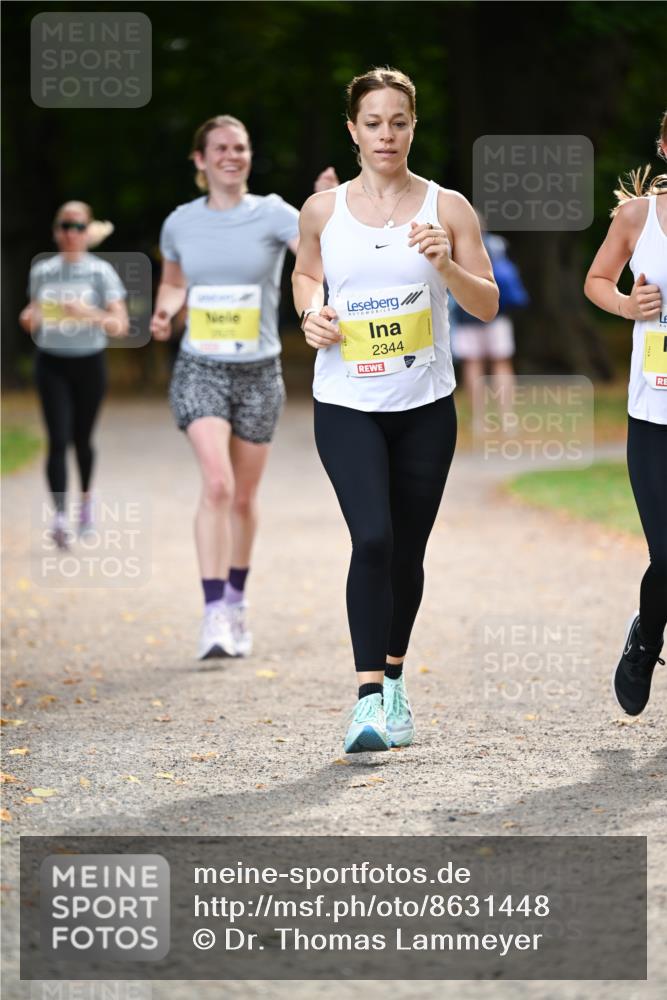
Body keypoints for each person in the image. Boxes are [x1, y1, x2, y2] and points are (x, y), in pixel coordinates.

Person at [292, 68, 498, 753]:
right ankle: (365, 700)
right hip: (346, 400)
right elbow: (305, 271)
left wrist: (446, 264)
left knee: (406, 550)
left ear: (413, 126)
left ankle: (396, 679)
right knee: (372, 539)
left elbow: (487, 304)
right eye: (373, 122)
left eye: (398, 122)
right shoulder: (322, 209)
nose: (386, 134)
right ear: (352, 129)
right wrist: (307, 313)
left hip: (424, 406)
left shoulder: (449, 208)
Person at [151, 114, 337, 661]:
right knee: (217, 484)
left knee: (245, 496)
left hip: (259, 370)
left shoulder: (274, 212)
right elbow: (173, 283)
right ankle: (212, 613)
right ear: (200, 160)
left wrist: (325, 207)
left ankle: (236, 599)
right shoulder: (179, 223)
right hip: (200, 367)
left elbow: (315, 248)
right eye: (222, 148)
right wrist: (165, 313)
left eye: (241, 147)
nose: (233, 155)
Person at [584, 109, 667, 716]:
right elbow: (596, 280)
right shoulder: (637, 217)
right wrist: (627, 306)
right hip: (654, 412)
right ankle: (645, 636)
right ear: (664, 145)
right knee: (666, 554)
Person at [19, 201, 129, 548]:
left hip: (89, 363)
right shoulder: (43, 271)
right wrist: (29, 316)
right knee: (57, 438)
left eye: (78, 226)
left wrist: (88, 313)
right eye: (65, 225)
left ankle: (85, 503)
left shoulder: (100, 273)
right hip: (51, 362)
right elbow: (33, 312)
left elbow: (121, 325)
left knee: (82, 440)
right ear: (56, 231)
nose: (71, 233)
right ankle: (60, 518)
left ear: (88, 232)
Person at [449, 226, 528, 433]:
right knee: (502, 362)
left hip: (465, 315)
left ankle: (480, 421)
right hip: (498, 314)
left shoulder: (451, 245)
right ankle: (508, 417)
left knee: (473, 364)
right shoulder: (497, 243)